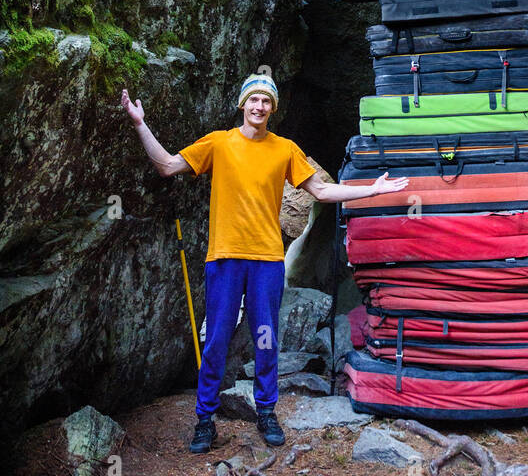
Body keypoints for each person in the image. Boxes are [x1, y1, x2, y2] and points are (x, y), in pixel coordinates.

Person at [121, 73, 407, 454]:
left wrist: (371, 190)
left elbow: (320, 190)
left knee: (266, 339)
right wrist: (141, 124)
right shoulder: (218, 143)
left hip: (267, 260)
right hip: (224, 257)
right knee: (217, 340)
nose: (259, 107)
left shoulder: (285, 149)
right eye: (253, 100)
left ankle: (266, 412)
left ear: (273, 108)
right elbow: (168, 166)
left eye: (267, 102)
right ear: (243, 104)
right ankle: (205, 419)